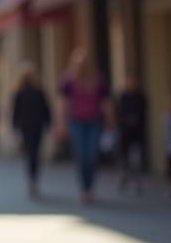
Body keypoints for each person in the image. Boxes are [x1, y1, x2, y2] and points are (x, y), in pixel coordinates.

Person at [59, 48, 111, 204]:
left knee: (91, 155)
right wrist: (61, 123)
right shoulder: (68, 82)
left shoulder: (99, 81)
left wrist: (110, 121)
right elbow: (63, 104)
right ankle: (84, 188)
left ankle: (90, 187)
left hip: (94, 121)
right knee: (81, 155)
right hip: (76, 122)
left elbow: (105, 103)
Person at [11, 63, 51, 198]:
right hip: (27, 126)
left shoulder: (38, 92)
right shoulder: (20, 93)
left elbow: (46, 109)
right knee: (32, 153)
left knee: (33, 153)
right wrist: (15, 126)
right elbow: (16, 111)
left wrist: (48, 123)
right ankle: (32, 177)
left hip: (35, 126)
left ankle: (32, 177)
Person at [116, 72, 148, 194]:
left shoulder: (141, 96)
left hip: (138, 132)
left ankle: (136, 181)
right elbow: (119, 112)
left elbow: (143, 112)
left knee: (136, 158)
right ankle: (124, 177)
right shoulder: (123, 97)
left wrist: (136, 120)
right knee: (124, 157)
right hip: (125, 132)